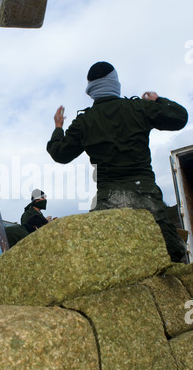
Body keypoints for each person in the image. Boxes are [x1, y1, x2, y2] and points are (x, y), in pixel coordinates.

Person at [47, 61, 188, 263]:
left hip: (107, 199)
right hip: (145, 194)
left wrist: (58, 127)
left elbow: (59, 154)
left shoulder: (84, 122)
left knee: (100, 258)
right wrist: (158, 100)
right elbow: (180, 118)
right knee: (174, 252)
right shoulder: (139, 108)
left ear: (91, 90)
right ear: (115, 84)